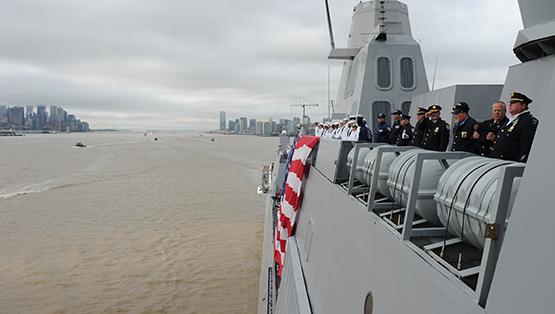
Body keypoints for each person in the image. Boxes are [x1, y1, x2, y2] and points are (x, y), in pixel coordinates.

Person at [490, 92, 539, 162]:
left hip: (511, 163)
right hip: (499, 161)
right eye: (510, 103)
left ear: (523, 105)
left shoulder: (527, 121)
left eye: (514, 103)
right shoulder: (509, 120)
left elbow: (526, 144)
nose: (510, 105)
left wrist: (522, 161)